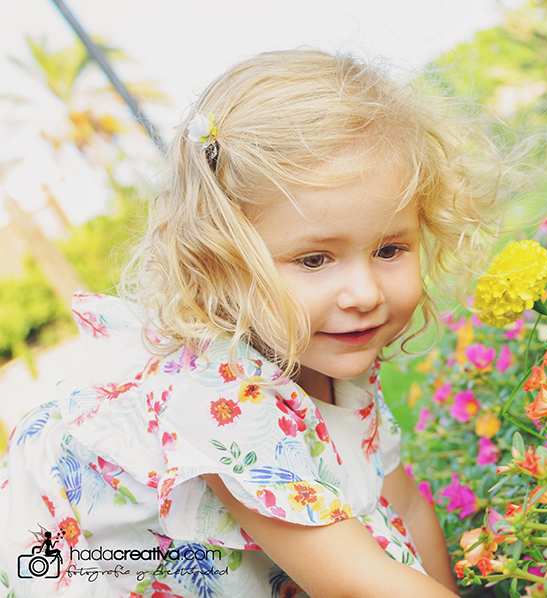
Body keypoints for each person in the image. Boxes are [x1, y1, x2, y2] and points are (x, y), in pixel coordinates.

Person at [0, 49, 508, 597]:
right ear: (222, 263)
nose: (365, 294)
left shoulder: (325, 352)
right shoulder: (220, 395)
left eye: (390, 249)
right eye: (314, 260)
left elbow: (403, 503)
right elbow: (359, 587)